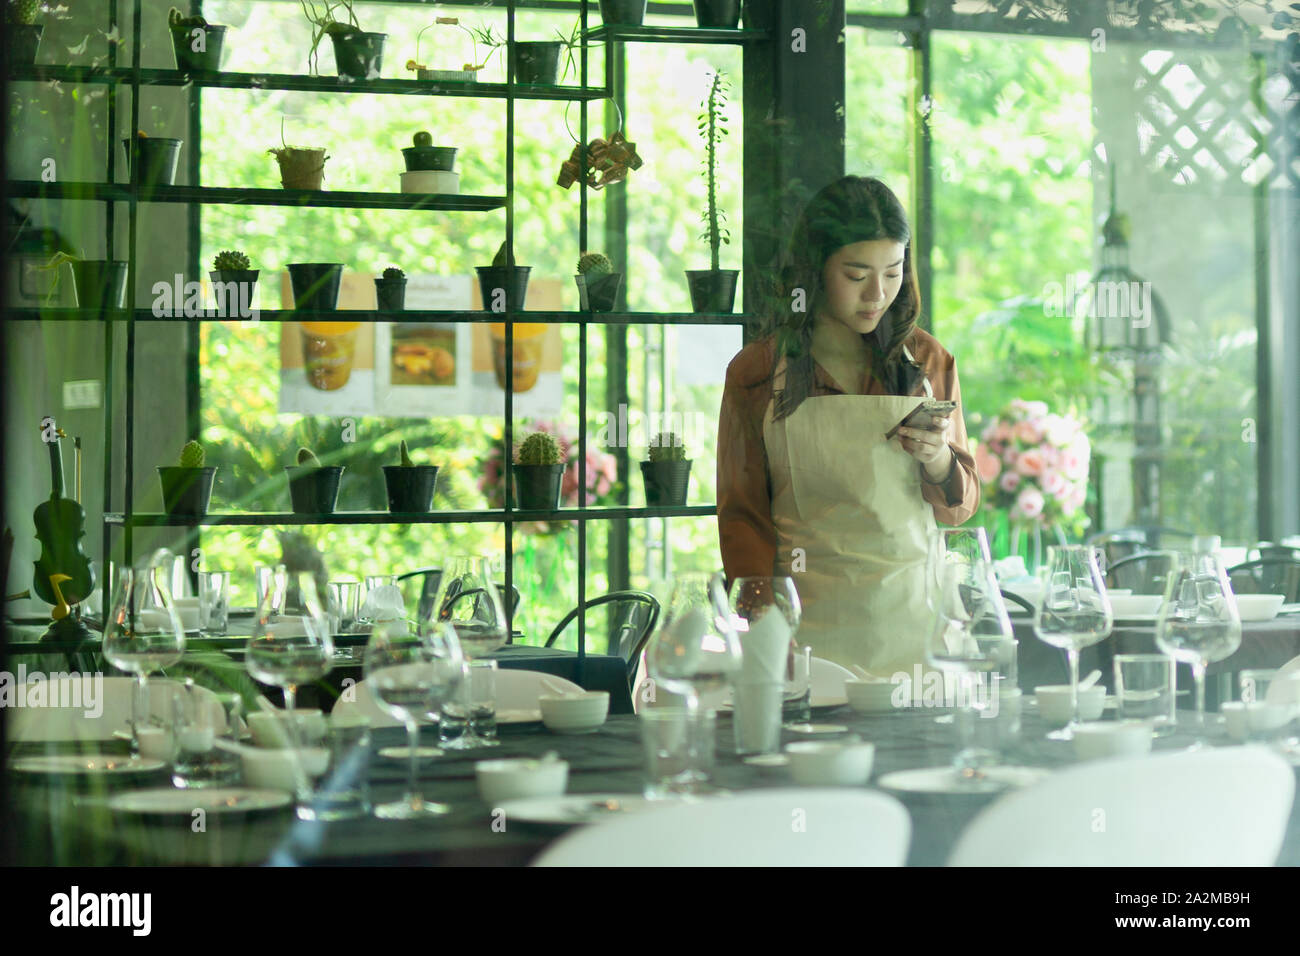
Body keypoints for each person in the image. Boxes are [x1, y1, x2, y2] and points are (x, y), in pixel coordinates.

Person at [716, 176, 980, 676]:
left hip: (918, 631)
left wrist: (939, 459)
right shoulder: (755, 373)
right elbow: (742, 518)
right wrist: (765, 627)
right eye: (856, 275)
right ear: (815, 269)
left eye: (893, 272)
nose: (877, 294)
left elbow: (959, 509)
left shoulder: (927, 361)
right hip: (805, 635)